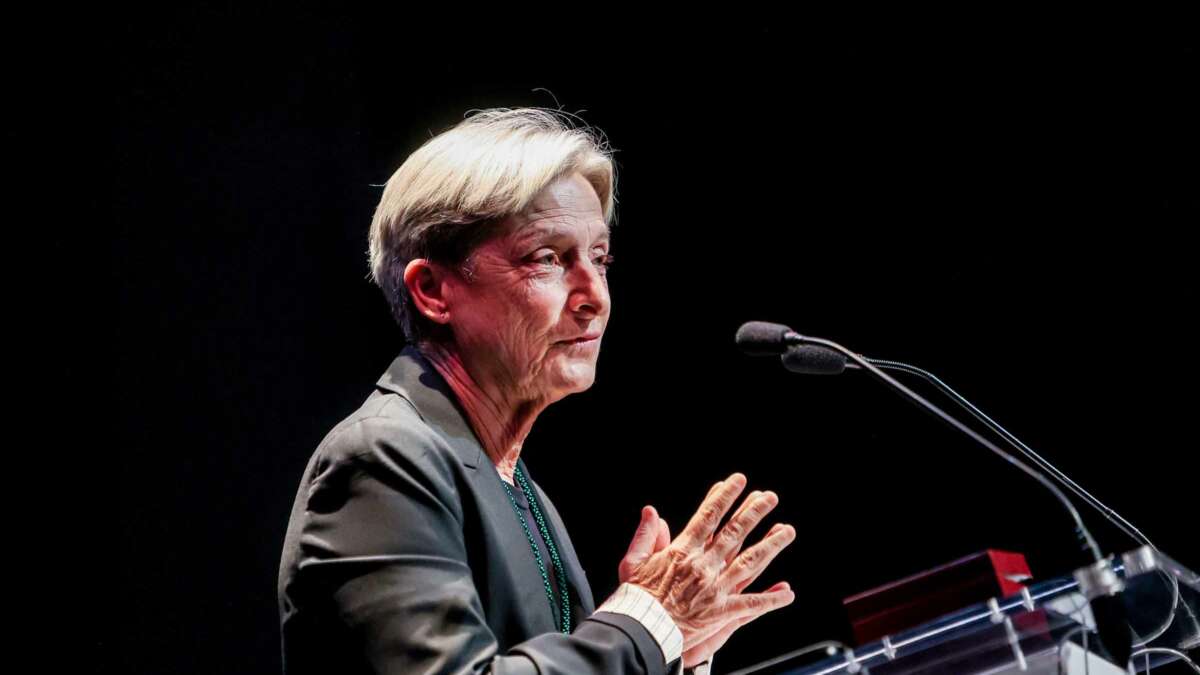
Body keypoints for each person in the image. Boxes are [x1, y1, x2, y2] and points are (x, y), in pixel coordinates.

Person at [277, 108, 797, 674]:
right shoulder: (383, 460)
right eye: (547, 258)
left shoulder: (509, 478)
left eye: (599, 258)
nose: (594, 294)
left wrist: (671, 652)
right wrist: (646, 622)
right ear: (433, 290)